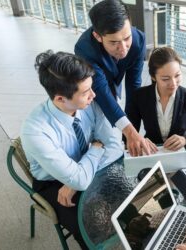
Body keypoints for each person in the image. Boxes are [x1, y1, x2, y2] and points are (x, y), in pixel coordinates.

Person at [21, 50, 123, 249]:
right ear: (60, 99)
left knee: (134, 195)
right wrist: (94, 149)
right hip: (53, 182)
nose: (93, 95)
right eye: (85, 93)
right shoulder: (35, 131)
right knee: (92, 224)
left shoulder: (90, 101)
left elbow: (116, 147)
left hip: (86, 169)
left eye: (91, 88)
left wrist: (76, 181)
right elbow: (83, 172)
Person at [75, 0, 155, 156]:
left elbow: (133, 84)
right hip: (93, 91)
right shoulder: (84, 49)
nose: (123, 48)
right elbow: (101, 90)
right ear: (98, 36)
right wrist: (130, 132)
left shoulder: (138, 40)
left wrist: (132, 132)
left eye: (126, 38)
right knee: (104, 132)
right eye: (114, 42)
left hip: (113, 83)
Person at [126, 47, 186, 151]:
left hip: (178, 155)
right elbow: (128, 135)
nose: (173, 83)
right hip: (151, 152)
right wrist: (139, 141)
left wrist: (185, 139)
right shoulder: (139, 96)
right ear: (153, 77)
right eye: (165, 79)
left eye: (177, 75)